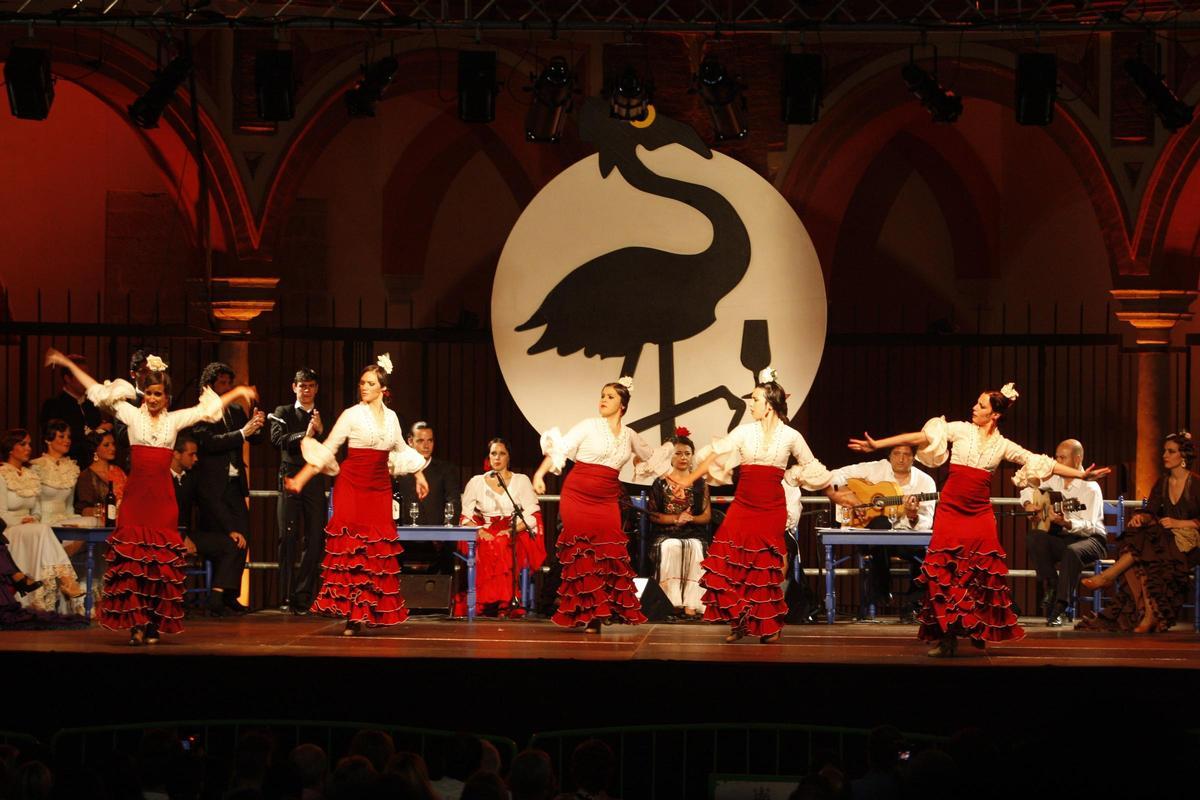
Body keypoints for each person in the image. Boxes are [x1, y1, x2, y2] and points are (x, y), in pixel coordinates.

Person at [848, 383, 1110, 657]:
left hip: (979, 513)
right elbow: (922, 437)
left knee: (982, 572)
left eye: (981, 405)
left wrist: (1081, 475)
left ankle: (977, 627)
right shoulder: (961, 429)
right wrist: (878, 444)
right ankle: (946, 635)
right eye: (976, 403)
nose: (974, 408)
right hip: (951, 509)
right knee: (942, 572)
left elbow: (1040, 462)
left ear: (994, 415)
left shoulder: (1003, 445)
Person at [46, 347, 258, 644]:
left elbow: (205, 410)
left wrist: (238, 392)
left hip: (162, 502)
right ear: (143, 394)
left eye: (159, 394)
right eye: (149, 393)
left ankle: (153, 622)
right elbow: (94, 388)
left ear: (166, 397)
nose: (154, 398)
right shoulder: (130, 415)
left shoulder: (173, 420)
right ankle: (136, 623)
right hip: (136, 501)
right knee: (134, 563)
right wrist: (67, 362)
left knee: (159, 565)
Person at [691, 368, 857, 644]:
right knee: (730, 560)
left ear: (768, 404)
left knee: (764, 568)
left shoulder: (791, 436)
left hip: (771, 507)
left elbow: (811, 467)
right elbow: (717, 455)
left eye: (755, 400)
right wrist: (693, 473)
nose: (751, 405)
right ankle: (738, 620)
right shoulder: (744, 432)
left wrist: (834, 495)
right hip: (744, 504)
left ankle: (769, 626)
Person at [284, 355, 429, 635]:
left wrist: (419, 474)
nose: (364, 387)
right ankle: (353, 614)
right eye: (362, 383)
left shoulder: (392, 418)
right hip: (351, 483)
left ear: (382, 389)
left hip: (379, 486)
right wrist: (301, 479)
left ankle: (366, 609)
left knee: (375, 550)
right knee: (352, 548)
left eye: (370, 383)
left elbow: (400, 448)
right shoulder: (351, 414)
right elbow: (329, 448)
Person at [532, 378, 666, 633]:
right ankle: (590, 613)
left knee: (608, 553)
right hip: (577, 496)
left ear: (623, 405)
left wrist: (677, 478)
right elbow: (560, 449)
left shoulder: (630, 435)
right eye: (602, 395)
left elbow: (652, 459)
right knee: (583, 553)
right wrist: (540, 475)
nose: (603, 400)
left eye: (610, 396)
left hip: (606, 500)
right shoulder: (589, 426)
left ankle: (599, 612)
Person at [1079, 430, 1200, 632]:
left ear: (1183, 456)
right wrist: (1141, 517)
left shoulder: (1196, 484)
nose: (1165, 455)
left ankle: (1108, 578)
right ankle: (1149, 614)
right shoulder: (1162, 482)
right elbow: (1151, 511)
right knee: (1141, 548)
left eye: (1171, 451)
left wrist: (1180, 523)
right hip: (1165, 541)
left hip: (1189, 544)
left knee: (1144, 546)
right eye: (1164, 451)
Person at [830, 443, 937, 622]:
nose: (901, 458)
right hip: (876, 539)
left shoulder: (925, 482)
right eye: (896, 453)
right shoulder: (875, 469)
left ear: (913, 457)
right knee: (880, 525)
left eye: (906, 454)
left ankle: (911, 606)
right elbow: (834, 475)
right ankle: (882, 589)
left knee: (926, 556)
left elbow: (926, 524)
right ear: (890, 456)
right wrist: (854, 500)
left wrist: (912, 516)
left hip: (907, 541)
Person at [190, 361, 262, 615]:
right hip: (212, 485)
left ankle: (230, 594)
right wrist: (242, 433)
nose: (227, 388)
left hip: (233, 484)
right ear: (210, 385)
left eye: (229, 383)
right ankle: (217, 596)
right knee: (226, 538)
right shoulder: (202, 410)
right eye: (222, 383)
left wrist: (255, 419)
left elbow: (253, 438)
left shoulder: (233, 409)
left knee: (243, 536)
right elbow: (208, 442)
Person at [1018, 439, 1106, 627]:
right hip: (1065, 536)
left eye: (1062, 458)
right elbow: (1027, 488)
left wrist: (1067, 522)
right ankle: (1051, 583)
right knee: (1034, 537)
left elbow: (1090, 525)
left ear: (1077, 459)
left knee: (1072, 552)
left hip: (1092, 539)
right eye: (1056, 457)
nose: (1057, 461)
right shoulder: (1053, 479)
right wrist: (1029, 504)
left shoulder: (1090, 487)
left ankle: (1060, 606)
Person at [0, 428, 86, 614]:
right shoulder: (2, 474)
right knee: (41, 530)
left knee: (41, 528)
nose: (28, 448)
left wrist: (33, 518)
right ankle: (68, 580)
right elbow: (1, 513)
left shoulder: (31, 475)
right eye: (23, 444)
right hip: (9, 530)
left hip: (30, 528)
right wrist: (21, 521)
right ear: (10, 448)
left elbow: (37, 511)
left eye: (29, 444)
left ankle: (59, 586)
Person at [458, 438, 545, 617]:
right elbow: (465, 516)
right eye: (493, 453)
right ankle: (487, 601)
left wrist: (512, 530)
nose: (497, 458)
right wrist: (480, 531)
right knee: (490, 542)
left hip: (514, 531)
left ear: (508, 457)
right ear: (488, 457)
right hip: (486, 530)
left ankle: (505, 602)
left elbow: (533, 515)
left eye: (502, 454)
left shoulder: (521, 480)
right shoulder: (476, 482)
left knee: (501, 541)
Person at [270, 367, 328, 615]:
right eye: (302, 386)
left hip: (314, 478)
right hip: (290, 475)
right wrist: (306, 434)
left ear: (316, 388)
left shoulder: (319, 415)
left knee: (316, 536)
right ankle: (285, 595)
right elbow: (277, 440)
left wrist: (320, 431)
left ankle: (303, 595)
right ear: (294, 387)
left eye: (311, 386)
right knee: (288, 537)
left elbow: (328, 448)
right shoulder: (282, 412)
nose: (306, 390)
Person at [169, 433, 245, 617]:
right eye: (191, 454)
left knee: (231, 544)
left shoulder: (192, 476)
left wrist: (231, 530)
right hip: (166, 535)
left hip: (187, 533)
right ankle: (175, 603)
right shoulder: (161, 477)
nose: (195, 459)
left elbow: (212, 502)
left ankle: (216, 599)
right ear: (176, 454)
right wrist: (181, 537)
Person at [646, 428, 711, 620]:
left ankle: (692, 604)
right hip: (666, 533)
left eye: (687, 454)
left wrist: (690, 518)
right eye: (678, 453)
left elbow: (706, 516)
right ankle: (670, 602)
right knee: (670, 547)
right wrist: (676, 518)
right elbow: (653, 515)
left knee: (696, 548)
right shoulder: (660, 483)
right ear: (671, 457)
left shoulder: (700, 484)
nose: (683, 457)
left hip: (693, 533)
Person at [394, 421, 461, 573]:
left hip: (438, 540)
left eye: (430, 440)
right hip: (402, 539)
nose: (426, 445)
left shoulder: (446, 470)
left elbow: (454, 501)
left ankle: (443, 593)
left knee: (449, 547)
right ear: (410, 442)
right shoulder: (399, 471)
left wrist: (445, 533)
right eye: (421, 440)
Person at [38, 352, 108, 466]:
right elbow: (55, 441)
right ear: (67, 379)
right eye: (81, 375)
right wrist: (94, 433)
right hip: (65, 466)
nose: (86, 380)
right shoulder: (54, 405)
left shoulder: (91, 405)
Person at [29, 419, 88, 527]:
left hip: (63, 520)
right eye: (61, 436)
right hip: (43, 521)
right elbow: (34, 503)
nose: (67, 440)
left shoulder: (71, 468)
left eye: (68, 437)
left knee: (91, 522)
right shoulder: (38, 466)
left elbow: (69, 506)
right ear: (48, 440)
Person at [73, 430, 128, 520]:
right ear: (95, 449)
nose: (113, 448)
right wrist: (108, 512)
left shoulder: (118, 471)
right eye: (106, 445)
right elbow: (83, 509)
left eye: (113, 444)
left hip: (125, 522)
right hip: (100, 526)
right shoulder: (86, 476)